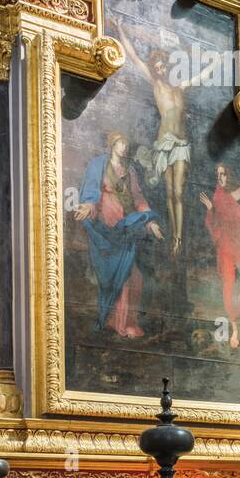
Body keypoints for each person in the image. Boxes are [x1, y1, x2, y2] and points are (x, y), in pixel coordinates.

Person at [113, 18, 216, 255]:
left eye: (162, 66)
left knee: (178, 192)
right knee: (169, 192)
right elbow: (134, 57)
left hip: (180, 145)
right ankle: (173, 236)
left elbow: (201, 77)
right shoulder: (155, 85)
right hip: (163, 144)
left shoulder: (179, 87)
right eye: (157, 67)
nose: (160, 70)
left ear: (168, 67)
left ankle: (179, 237)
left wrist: (215, 62)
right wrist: (120, 28)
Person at [73, 132, 164, 338]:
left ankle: (125, 322)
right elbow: (91, 192)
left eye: (126, 142)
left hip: (125, 228)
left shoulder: (130, 171)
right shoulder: (99, 165)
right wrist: (88, 207)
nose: (124, 146)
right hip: (106, 229)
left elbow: (138, 199)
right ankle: (116, 322)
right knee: (114, 277)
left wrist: (150, 222)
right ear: (112, 144)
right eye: (121, 142)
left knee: (133, 276)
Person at [200, 163, 240, 348]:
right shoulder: (218, 196)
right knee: (230, 283)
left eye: (223, 174)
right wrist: (211, 209)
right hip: (227, 246)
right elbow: (214, 225)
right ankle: (234, 328)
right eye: (218, 174)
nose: (220, 178)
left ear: (230, 175)